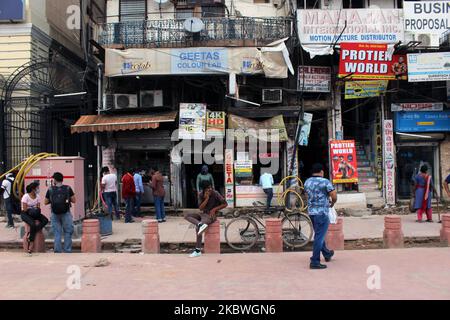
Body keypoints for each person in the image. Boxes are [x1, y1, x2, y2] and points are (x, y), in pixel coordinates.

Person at [304, 163, 337, 270]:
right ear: (322, 171)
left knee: (318, 234)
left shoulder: (307, 182)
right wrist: (332, 203)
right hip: (322, 212)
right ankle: (315, 261)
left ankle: (327, 254)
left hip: (311, 212)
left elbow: (306, 195)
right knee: (319, 236)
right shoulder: (325, 182)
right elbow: (334, 195)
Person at [184, 181, 227, 258]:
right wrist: (206, 198)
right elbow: (200, 208)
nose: (210, 189)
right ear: (204, 189)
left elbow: (225, 204)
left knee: (198, 229)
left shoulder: (215, 193)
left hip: (211, 215)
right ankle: (200, 223)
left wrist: (214, 209)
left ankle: (197, 250)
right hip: (203, 214)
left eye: (211, 187)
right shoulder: (201, 194)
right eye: (208, 188)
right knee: (187, 215)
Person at [44, 172, 76, 253]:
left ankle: (57, 251)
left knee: (57, 232)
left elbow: (45, 202)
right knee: (68, 232)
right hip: (66, 213)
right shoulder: (68, 188)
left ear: (54, 180)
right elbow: (74, 200)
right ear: (62, 179)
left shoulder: (50, 189)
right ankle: (67, 250)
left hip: (54, 213)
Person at [21, 182, 48, 253]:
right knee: (32, 224)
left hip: (35, 213)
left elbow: (38, 207)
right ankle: (31, 242)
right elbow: (25, 209)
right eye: (37, 188)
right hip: (26, 214)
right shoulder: (25, 196)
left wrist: (34, 209)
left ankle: (34, 231)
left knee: (45, 220)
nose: (38, 189)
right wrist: (32, 208)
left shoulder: (38, 196)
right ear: (33, 189)